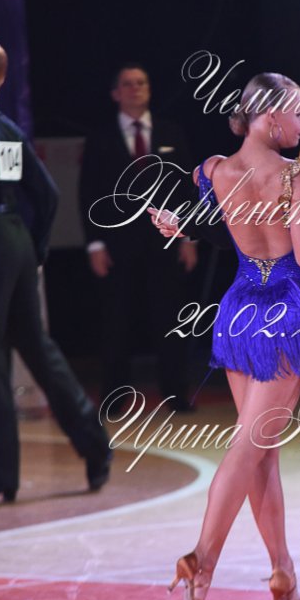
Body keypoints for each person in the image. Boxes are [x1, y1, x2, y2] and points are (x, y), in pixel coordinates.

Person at [149, 72, 300, 600]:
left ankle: (282, 572)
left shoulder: (212, 170)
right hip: (288, 311)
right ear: (270, 117)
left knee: (260, 452)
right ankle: (202, 557)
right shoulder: (297, 174)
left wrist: (180, 224)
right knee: (250, 446)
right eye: (298, 114)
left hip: (239, 310)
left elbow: (215, 226)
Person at [0, 39, 112, 505]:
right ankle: (94, 443)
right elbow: (47, 195)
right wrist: (36, 247)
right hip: (17, 241)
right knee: (38, 348)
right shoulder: (8, 130)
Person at [79, 65, 198, 409]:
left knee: (170, 318)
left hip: (166, 241)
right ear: (115, 93)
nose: (136, 88)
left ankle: (176, 394)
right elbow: (88, 194)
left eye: (141, 83)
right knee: (116, 322)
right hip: (117, 245)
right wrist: (95, 244)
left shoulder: (171, 131)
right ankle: (114, 397)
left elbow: (187, 188)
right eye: (128, 84)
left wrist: (190, 238)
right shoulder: (100, 138)